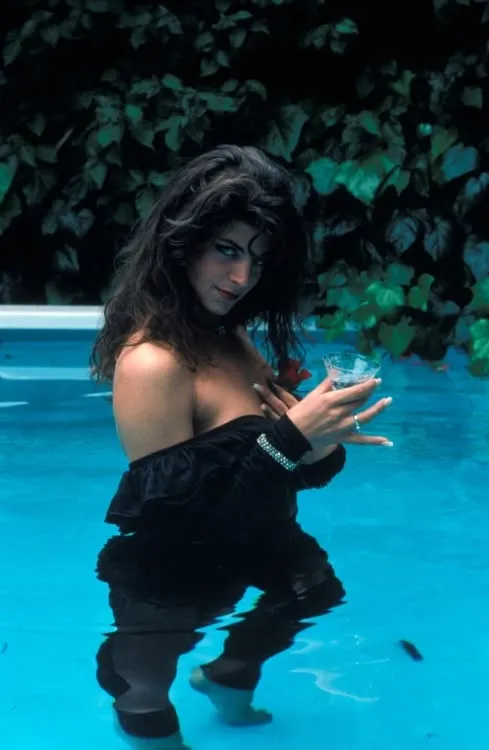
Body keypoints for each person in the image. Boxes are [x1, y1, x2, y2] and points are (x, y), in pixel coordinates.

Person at [90, 145, 392, 749]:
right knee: (144, 688)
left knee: (314, 590)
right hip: (173, 571)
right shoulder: (152, 364)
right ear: (182, 242)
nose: (241, 278)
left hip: (256, 534)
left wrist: (316, 443)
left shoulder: (230, 337)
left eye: (257, 259)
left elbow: (276, 465)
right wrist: (289, 438)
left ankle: (228, 676)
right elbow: (179, 523)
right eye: (227, 250)